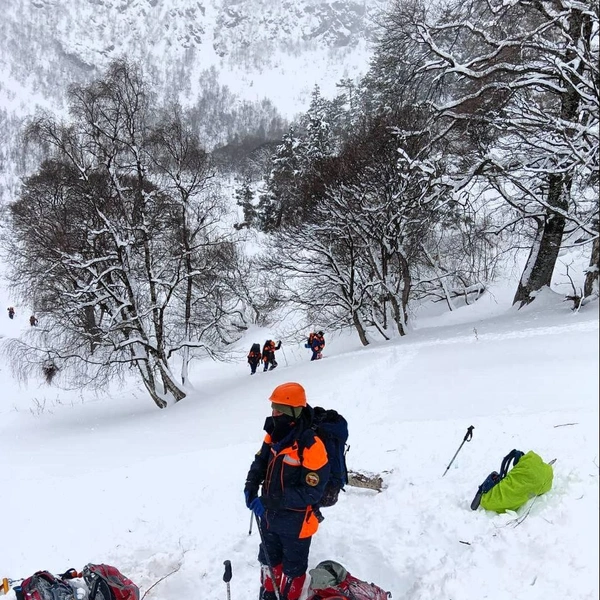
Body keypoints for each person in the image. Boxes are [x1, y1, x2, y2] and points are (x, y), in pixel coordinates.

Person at [244, 382, 330, 600]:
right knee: (268, 560)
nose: (273, 414)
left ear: (293, 412)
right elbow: (261, 461)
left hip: (298, 522)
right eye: (272, 409)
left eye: (278, 410)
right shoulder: (273, 433)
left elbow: (312, 493)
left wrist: (270, 501)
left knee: (293, 569)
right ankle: (267, 594)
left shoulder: (312, 446)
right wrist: (251, 484)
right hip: (270, 517)